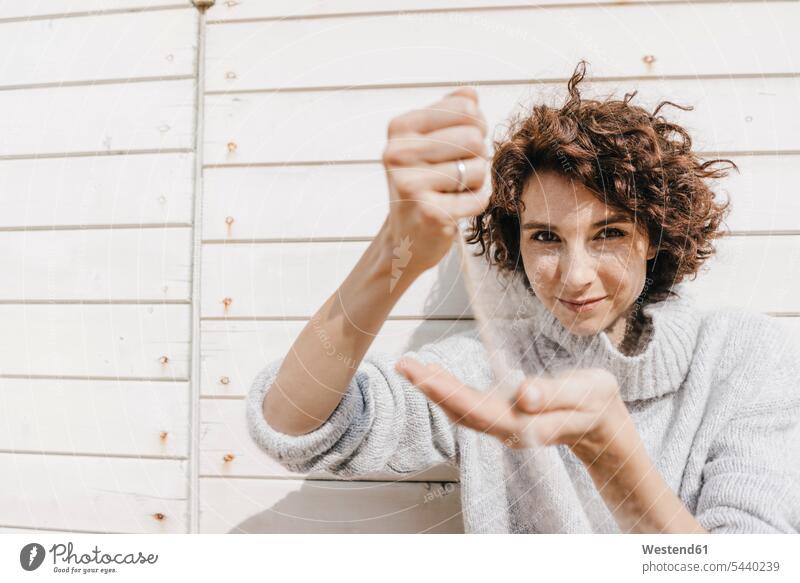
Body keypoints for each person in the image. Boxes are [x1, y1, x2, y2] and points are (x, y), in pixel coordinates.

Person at [245, 61, 800, 533]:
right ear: (516, 242)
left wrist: (615, 463)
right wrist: (395, 253)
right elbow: (294, 427)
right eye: (545, 238)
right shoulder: (489, 368)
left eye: (608, 233)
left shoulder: (745, 357)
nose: (575, 276)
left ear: (652, 235)